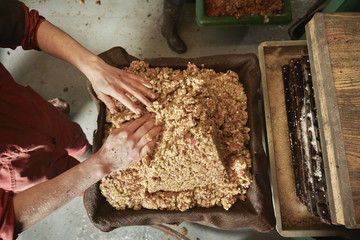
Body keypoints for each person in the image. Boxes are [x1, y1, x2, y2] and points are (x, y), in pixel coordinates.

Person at [0, 0, 161, 239]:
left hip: (32, 111)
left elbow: (25, 26)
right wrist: (101, 165)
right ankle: (87, 174)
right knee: (69, 177)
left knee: (74, 138)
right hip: (17, 168)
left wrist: (94, 66)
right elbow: (8, 219)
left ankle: (83, 151)